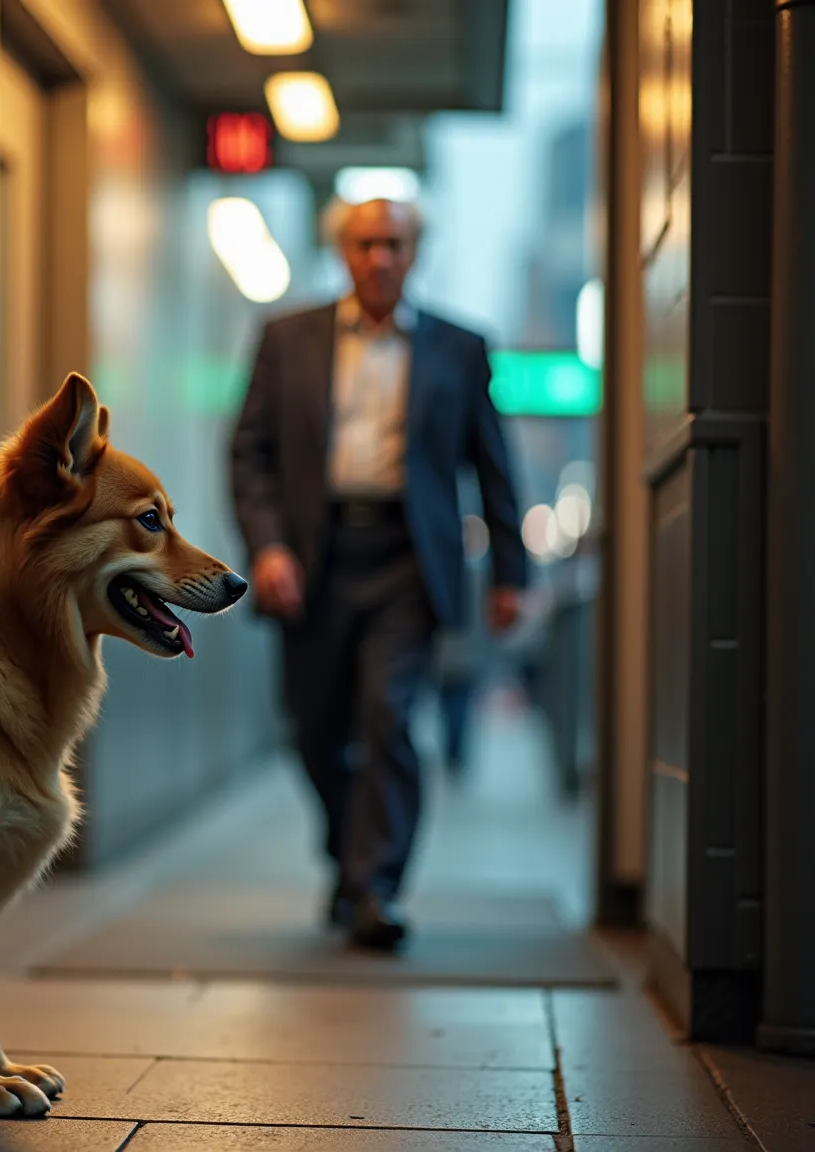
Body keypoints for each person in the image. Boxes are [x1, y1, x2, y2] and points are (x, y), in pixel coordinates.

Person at [229, 197, 527, 951]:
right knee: (315, 726)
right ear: (344, 253)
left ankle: (376, 889)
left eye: (394, 244)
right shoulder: (285, 339)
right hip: (313, 556)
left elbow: (493, 465)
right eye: (366, 244)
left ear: (415, 252)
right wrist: (266, 548)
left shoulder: (460, 348)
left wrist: (509, 574)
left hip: (407, 558)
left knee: (389, 719)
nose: (380, 258)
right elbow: (249, 452)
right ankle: (347, 852)